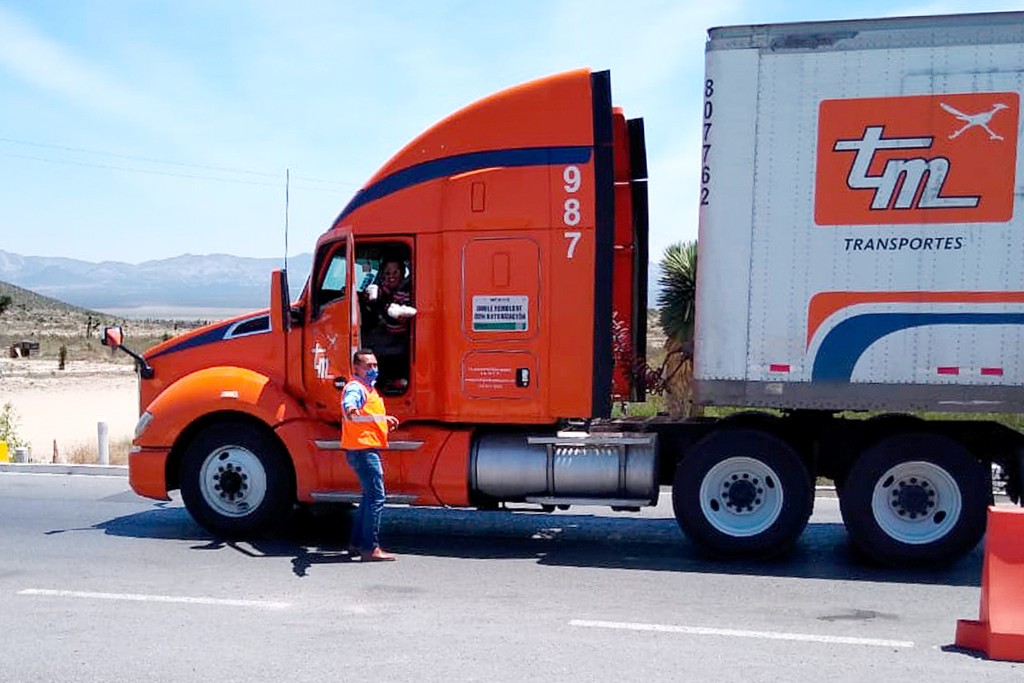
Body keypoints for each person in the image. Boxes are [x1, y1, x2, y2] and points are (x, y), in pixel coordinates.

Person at [341, 349, 400, 561]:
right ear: (356, 368)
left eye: (375, 365)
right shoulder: (356, 388)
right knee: (377, 498)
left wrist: (384, 420)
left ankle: (356, 544)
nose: (373, 369)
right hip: (363, 450)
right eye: (368, 366)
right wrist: (353, 411)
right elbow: (350, 407)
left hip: (363, 448)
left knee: (368, 498)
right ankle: (371, 548)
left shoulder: (368, 388)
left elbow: (367, 416)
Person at [360, 257, 416, 392]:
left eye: (395, 272)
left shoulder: (408, 291)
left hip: (401, 337)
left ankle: (393, 382)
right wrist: (370, 294)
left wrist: (403, 313)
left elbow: (409, 311)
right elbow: (376, 293)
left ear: (403, 273)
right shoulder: (382, 288)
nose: (391, 276)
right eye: (387, 273)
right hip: (386, 332)